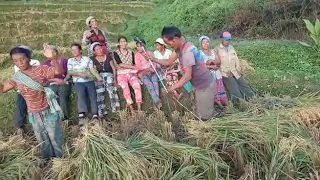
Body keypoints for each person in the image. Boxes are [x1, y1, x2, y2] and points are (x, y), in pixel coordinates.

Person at [0, 44, 64, 159]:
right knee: (42, 139)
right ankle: (49, 161)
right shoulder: (17, 77)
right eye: (15, 61)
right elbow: (3, 89)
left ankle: (60, 161)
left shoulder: (40, 69)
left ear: (29, 58)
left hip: (49, 110)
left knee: (55, 137)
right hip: (34, 114)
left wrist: (53, 58)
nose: (20, 63)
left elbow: (58, 71)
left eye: (22, 59)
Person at [150, 26, 216, 120]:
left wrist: (171, 88)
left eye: (168, 43)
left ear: (175, 39)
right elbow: (169, 62)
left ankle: (209, 129)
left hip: (205, 86)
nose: (169, 46)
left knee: (205, 116)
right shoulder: (181, 47)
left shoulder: (187, 53)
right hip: (200, 85)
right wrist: (153, 59)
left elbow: (187, 77)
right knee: (202, 110)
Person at [214, 32, 255, 104]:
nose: (228, 41)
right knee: (234, 88)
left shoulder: (231, 48)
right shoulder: (217, 49)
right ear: (222, 39)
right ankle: (240, 104)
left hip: (234, 72)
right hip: (225, 74)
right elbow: (217, 65)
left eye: (229, 40)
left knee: (244, 85)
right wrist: (225, 72)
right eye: (226, 40)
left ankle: (254, 99)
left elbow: (236, 59)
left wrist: (238, 70)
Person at [67, 43, 99, 126]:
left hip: (89, 80)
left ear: (80, 50)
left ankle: (95, 115)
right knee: (81, 95)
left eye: (75, 49)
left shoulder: (87, 59)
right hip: (78, 81)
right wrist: (80, 74)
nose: (73, 51)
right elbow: (70, 71)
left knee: (93, 96)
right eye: (72, 50)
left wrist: (98, 77)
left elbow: (92, 69)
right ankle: (82, 115)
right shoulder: (70, 60)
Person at [13, 45, 40, 134]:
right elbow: (18, 77)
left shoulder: (36, 62)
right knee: (20, 108)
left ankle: (37, 126)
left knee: (35, 110)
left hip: (34, 90)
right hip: (22, 90)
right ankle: (20, 128)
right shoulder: (17, 64)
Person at [90, 42, 120, 119]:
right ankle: (101, 111)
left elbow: (113, 69)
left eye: (100, 48)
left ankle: (116, 109)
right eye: (97, 49)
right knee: (100, 92)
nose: (100, 50)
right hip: (99, 77)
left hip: (109, 75)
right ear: (94, 52)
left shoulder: (108, 56)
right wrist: (96, 79)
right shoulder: (93, 59)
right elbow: (95, 71)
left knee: (111, 89)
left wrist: (115, 79)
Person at [113, 36, 142, 113]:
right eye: (121, 42)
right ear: (119, 43)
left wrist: (134, 67)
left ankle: (139, 108)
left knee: (137, 86)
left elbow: (134, 62)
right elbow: (120, 64)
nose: (123, 43)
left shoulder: (131, 52)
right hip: (121, 74)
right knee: (125, 88)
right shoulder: (116, 53)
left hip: (131, 73)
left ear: (126, 42)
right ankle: (131, 109)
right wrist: (133, 67)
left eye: (124, 41)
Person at [42, 45, 71, 122]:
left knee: (63, 95)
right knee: (53, 95)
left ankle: (64, 118)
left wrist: (64, 80)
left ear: (55, 52)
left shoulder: (64, 61)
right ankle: (56, 118)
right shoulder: (45, 64)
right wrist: (55, 79)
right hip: (52, 83)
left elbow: (69, 73)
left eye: (51, 52)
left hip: (64, 82)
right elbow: (45, 78)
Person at [199, 36, 228, 108]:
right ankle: (216, 104)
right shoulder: (199, 53)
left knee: (219, 88)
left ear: (209, 43)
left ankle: (223, 103)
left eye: (207, 42)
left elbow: (219, 62)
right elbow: (200, 66)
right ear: (201, 44)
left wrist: (212, 63)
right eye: (203, 43)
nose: (206, 44)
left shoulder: (213, 51)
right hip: (206, 75)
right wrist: (211, 66)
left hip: (216, 73)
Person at [135, 39, 162, 109]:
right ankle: (157, 101)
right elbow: (138, 67)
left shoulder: (150, 53)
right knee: (149, 84)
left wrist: (152, 69)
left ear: (144, 45)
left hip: (152, 72)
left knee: (155, 84)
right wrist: (147, 69)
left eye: (141, 46)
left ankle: (155, 103)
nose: (139, 48)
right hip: (143, 74)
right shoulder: (137, 55)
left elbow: (154, 63)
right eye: (137, 46)